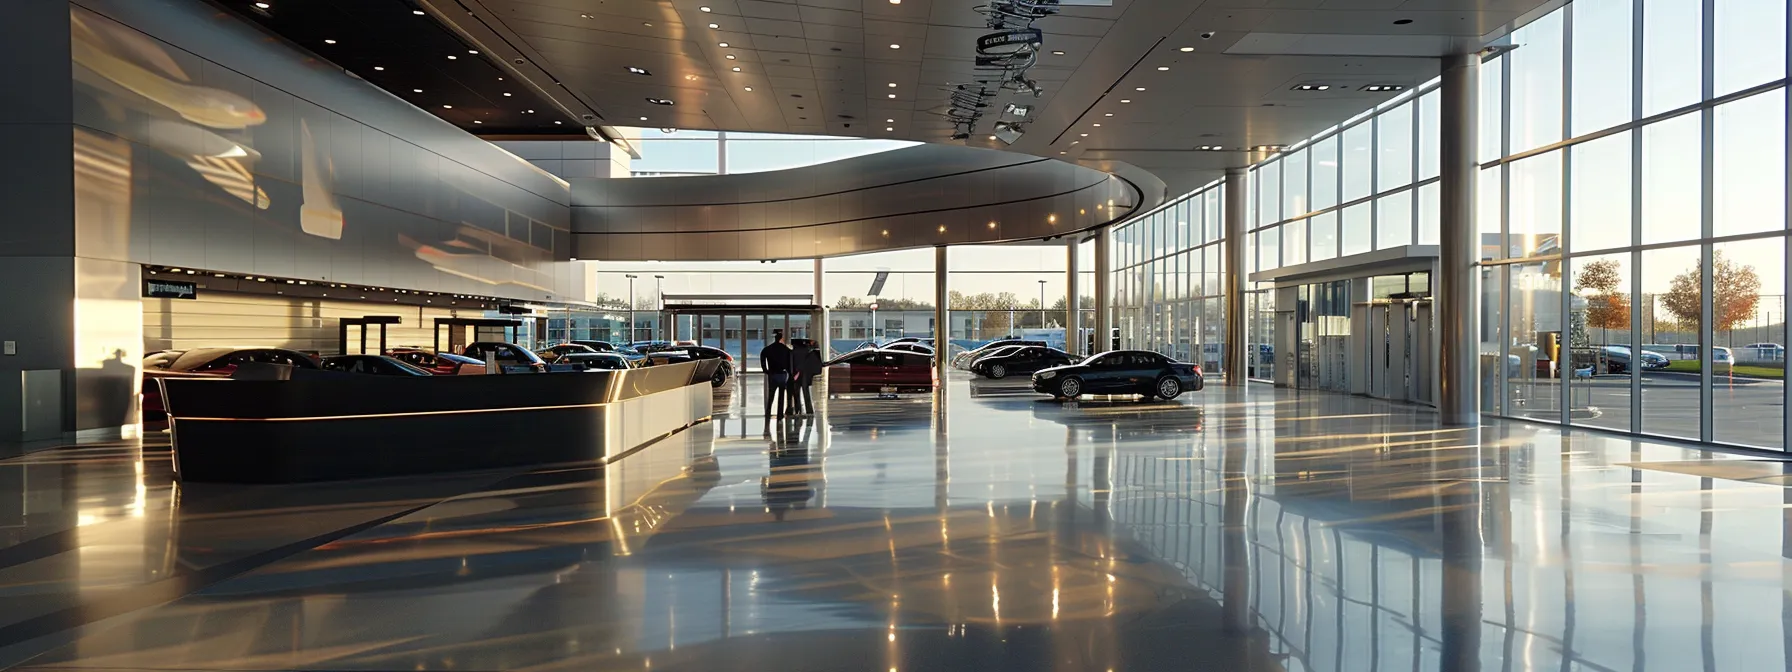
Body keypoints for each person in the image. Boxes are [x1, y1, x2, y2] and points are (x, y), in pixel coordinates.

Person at [759, 330, 792, 418]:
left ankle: (768, 411)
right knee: (781, 395)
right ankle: (780, 414)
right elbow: (790, 361)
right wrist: (789, 371)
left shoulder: (768, 349)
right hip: (782, 374)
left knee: (771, 394)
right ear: (781, 338)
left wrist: (765, 369)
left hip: (772, 373)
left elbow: (762, 357)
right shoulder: (786, 349)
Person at [790, 338, 823, 415]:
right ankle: (809, 410)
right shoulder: (809, 351)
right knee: (806, 392)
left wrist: (794, 373)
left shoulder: (793, 352)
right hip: (805, 373)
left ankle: (798, 409)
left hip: (796, 374)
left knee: (796, 392)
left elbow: (791, 364)